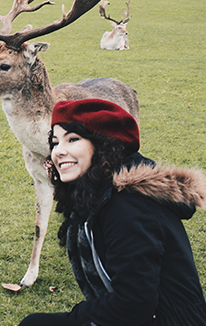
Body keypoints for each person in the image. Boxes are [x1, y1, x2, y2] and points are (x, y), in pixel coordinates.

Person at [19, 98, 206, 326]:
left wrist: (75, 317)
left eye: (73, 139)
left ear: (103, 146)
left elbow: (134, 305)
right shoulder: (97, 193)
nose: (59, 152)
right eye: (55, 142)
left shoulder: (127, 207)